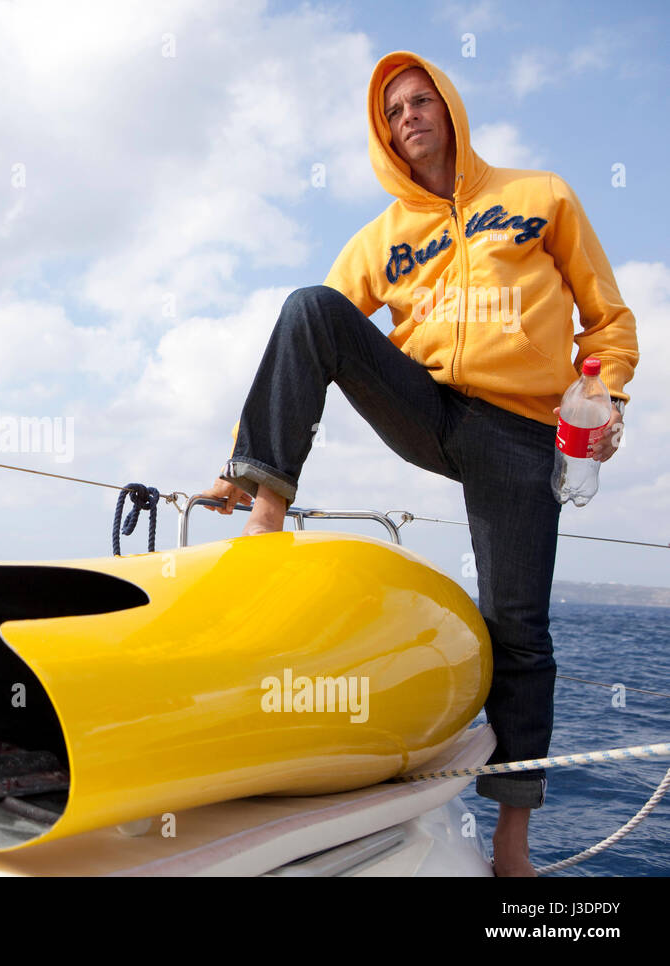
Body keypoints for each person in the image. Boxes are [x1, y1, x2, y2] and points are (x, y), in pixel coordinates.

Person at [200, 51, 638, 876]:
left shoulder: (540, 198)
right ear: (385, 135)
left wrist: (607, 395)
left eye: (420, 100)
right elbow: (303, 342)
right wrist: (242, 459)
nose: (408, 116)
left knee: (520, 634)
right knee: (311, 308)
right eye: (393, 110)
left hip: (519, 432)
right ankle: (265, 511)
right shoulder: (381, 239)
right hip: (429, 411)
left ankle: (513, 842)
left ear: (450, 108)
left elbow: (607, 318)